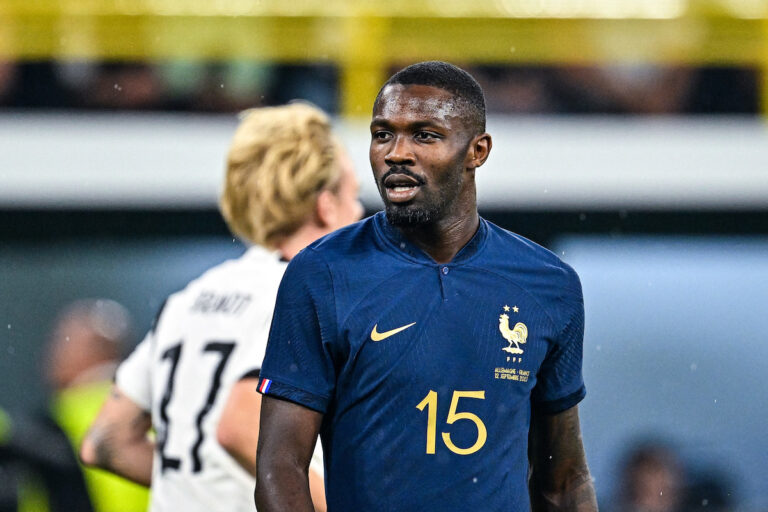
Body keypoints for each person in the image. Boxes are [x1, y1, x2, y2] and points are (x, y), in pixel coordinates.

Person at [255, 61, 598, 511]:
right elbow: (279, 467)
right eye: (383, 134)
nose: (396, 153)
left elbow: (565, 480)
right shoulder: (322, 273)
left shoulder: (549, 285)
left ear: (477, 151)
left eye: (424, 135)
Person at [80, 102, 363, 512]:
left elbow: (105, 442)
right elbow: (241, 426)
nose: (359, 213)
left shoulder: (190, 297)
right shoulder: (302, 292)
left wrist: (197, 489)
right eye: (353, 195)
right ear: (325, 204)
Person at [45, 299, 149, 512]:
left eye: (62, 340)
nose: (51, 352)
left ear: (92, 351)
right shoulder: (149, 408)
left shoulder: (68, 412)